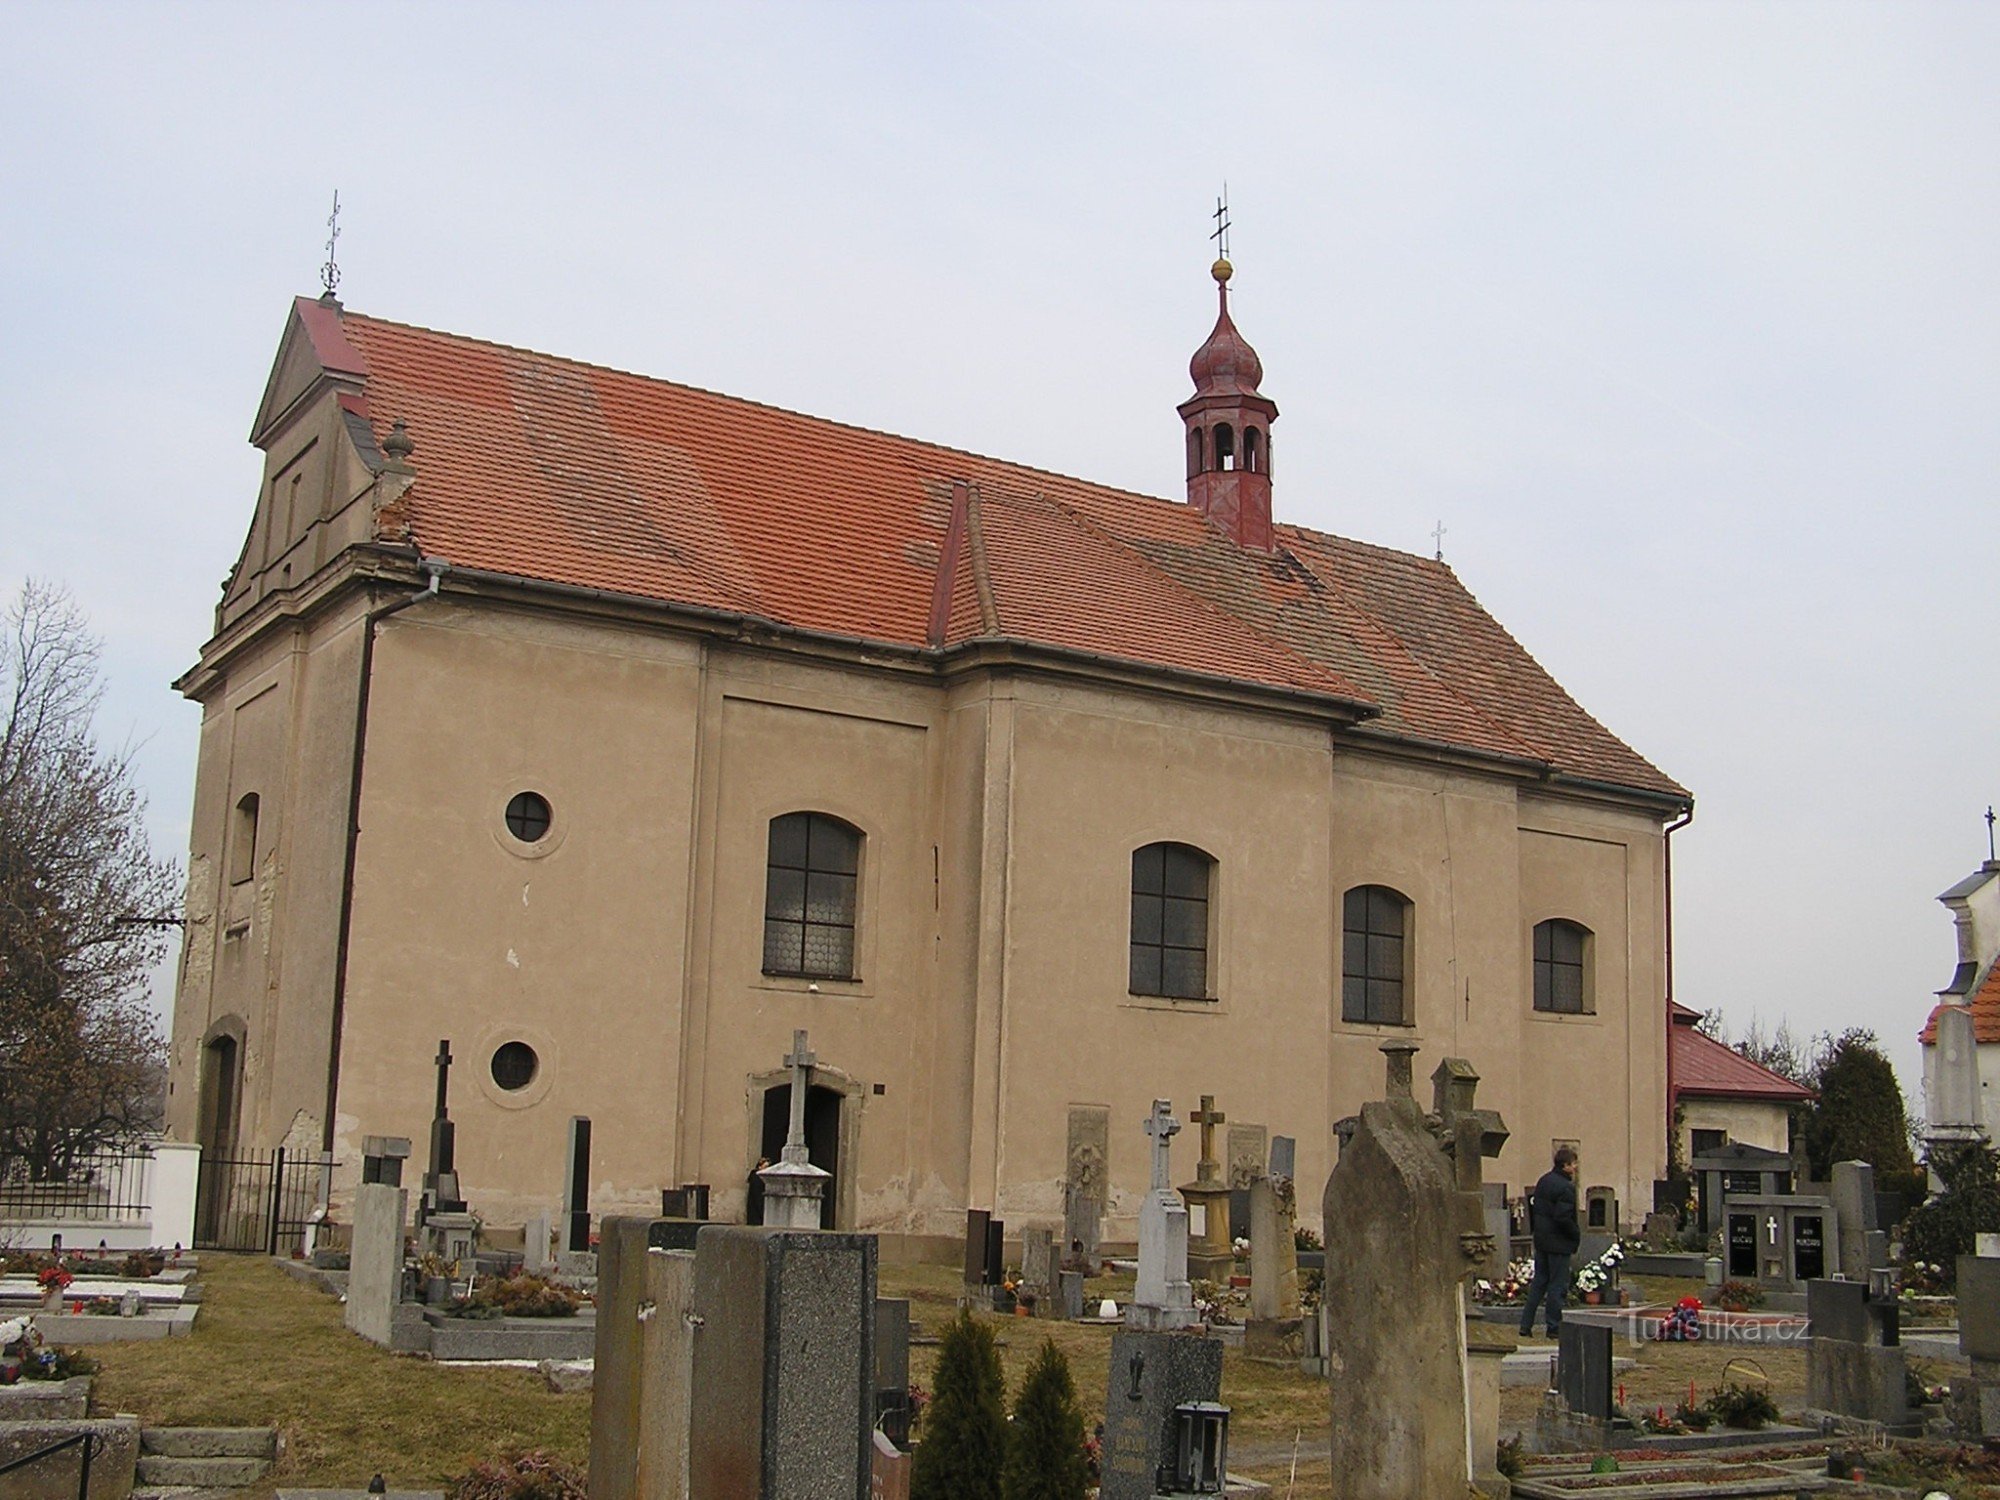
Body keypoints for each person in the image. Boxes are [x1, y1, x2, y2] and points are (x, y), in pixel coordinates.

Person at [1518, 1144, 1580, 1339]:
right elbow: (1563, 1217)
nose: (1575, 1167)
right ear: (1565, 1166)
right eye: (1573, 1164)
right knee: (1557, 1285)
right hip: (1559, 1242)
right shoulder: (1566, 1188)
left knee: (1539, 1283)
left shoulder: (1544, 1181)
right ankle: (1553, 1326)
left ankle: (1525, 1324)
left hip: (1542, 1239)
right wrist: (1575, 1233)